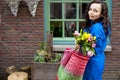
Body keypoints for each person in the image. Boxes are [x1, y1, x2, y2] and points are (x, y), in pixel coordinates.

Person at [81, 0, 111, 80]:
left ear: (101, 14)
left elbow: (93, 46)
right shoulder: (99, 24)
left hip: (92, 61)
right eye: (90, 9)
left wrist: (81, 43)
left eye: (95, 11)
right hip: (96, 60)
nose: (91, 12)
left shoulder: (96, 27)